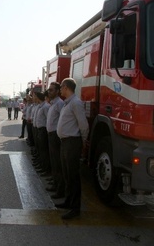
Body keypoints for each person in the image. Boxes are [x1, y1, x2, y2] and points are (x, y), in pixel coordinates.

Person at [56, 78, 89, 220]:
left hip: (72, 142)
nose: (60, 90)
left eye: (62, 87)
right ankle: (68, 201)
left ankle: (75, 208)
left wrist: (83, 140)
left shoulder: (75, 103)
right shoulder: (67, 103)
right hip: (65, 142)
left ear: (67, 87)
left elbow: (83, 124)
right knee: (67, 174)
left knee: (73, 176)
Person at [46, 82, 65, 199]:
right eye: (49, 90)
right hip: (50, 135)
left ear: (57, 91)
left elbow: (61, 121)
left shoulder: (59, 104)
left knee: (58, 164)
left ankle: (60, 189)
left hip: (55, 136)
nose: (49, 92)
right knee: (53, 161)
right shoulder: (52, 104)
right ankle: (55, 184)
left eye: (51, 90)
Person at [34, 91, 51, 176]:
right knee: (41, 150)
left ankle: (46, 169)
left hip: (43, 130)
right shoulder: (41, 106)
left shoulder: (46, 107)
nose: (34, 98)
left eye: (35, 97)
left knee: (44, 151)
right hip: (39, 129)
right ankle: (42, 166)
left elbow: (48, 120)